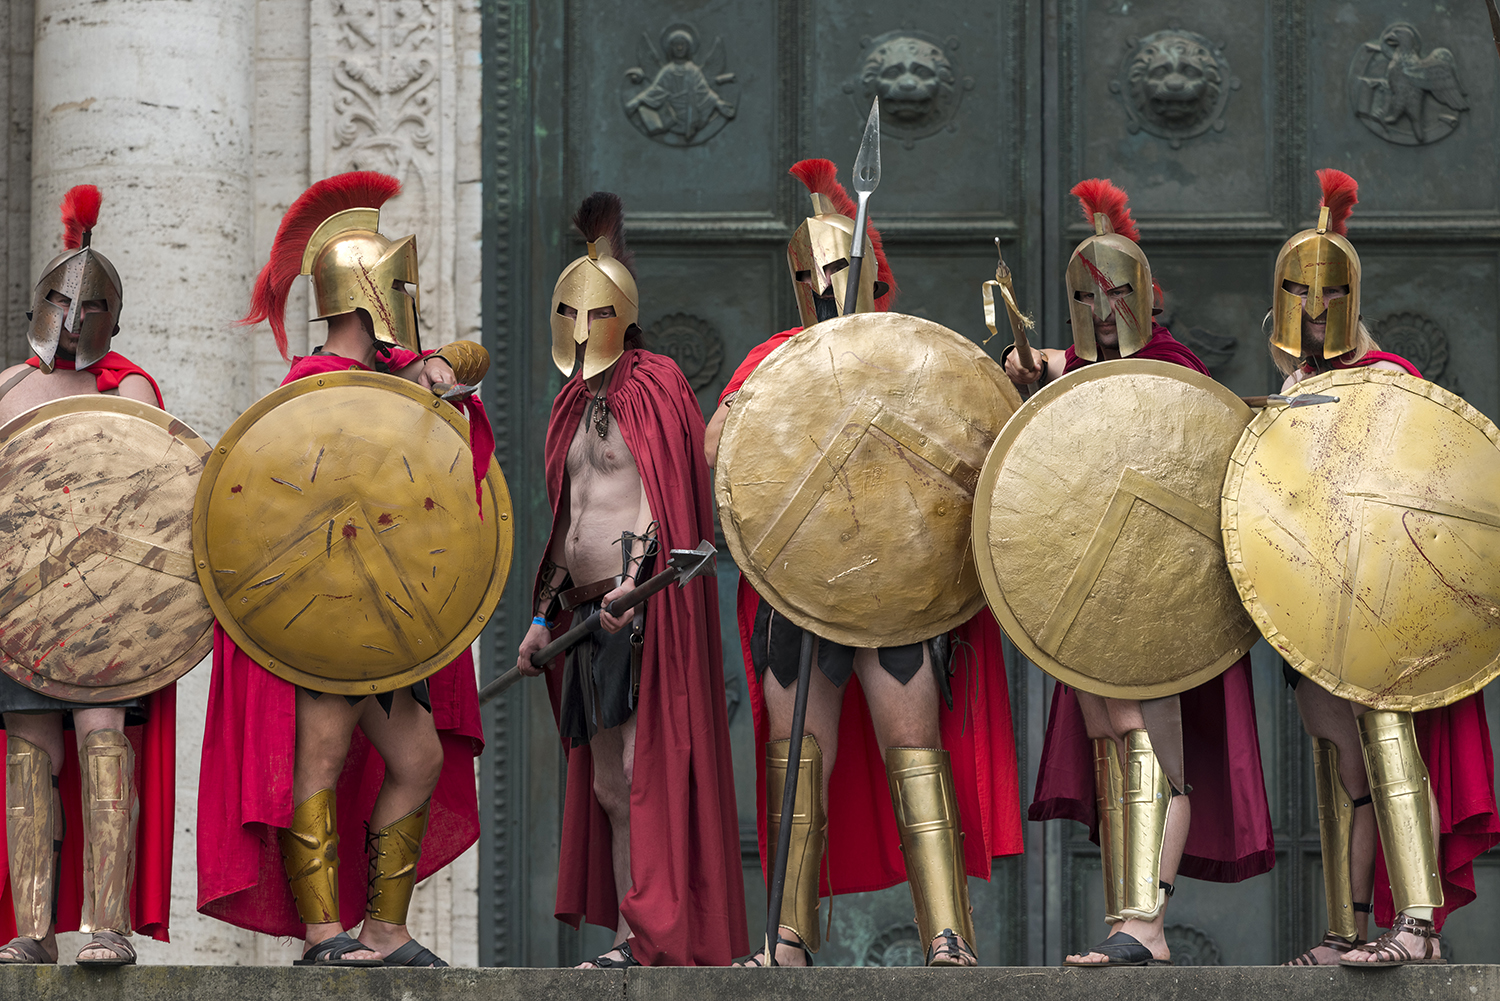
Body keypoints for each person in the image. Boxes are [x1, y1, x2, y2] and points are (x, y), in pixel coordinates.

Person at [704, 159, 1023, 969]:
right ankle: (788, 938)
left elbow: (982, 458)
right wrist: (741, 414)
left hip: (897, 591)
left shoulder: (915, 356)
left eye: (837, 267)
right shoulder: (771, 360)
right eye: (808, 272)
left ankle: (948, 937)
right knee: (795, 756)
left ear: (870, 271)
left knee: (913, 748)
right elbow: (718, 464)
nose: (822, 284)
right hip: (798, 592)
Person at [196, 171, 488, 968]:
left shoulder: (394, 385)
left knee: (418, 758)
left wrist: (431, 371)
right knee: (318, 762)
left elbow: (470, 361)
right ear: (375, 296)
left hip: (387, 617)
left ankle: (384, 930)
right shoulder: (303, 397)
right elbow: (256, 513)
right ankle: (326, 935)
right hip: (318, 617)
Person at [1011, 179, 1274, 967]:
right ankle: (1130, 924)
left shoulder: (1173, 366)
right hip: (1086, 587)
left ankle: (1145, 923)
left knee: (1152, 745)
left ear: (1146, 295)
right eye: (1086, 293)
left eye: (1116, 291)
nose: (1101, 307)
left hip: (1158, 593)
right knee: (1108, 738)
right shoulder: (1066, 376)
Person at [1266, 170, 1499, 967]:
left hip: (1383, 604)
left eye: (1328, 292)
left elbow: (1420, 492)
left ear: (1353, 298)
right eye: (1298, 289)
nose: (1314, 306)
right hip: (1312, 603)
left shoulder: (1392, 379)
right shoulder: (1293, 385)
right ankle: (1345, 927)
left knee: (1391, 738)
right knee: (1344, 761)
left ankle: (1419, 926)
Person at [514, 192, 746, 968]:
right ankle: (628, 933)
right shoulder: (571, 404)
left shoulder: (657, 383)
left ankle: (654, 933)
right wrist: (542, 617)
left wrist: (633, 580)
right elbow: (566, 518)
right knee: (611, 784)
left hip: (635, 609)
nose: (582, 330)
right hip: (582, 611)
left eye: (595, 313)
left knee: (645, 768)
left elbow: (658, 493)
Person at [0, 186, 174, 966]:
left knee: (104, 742)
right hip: (23, 603)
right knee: (30, 751)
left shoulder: (129, 391)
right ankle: (33, 929)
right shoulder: (8, 391)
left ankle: (109, 925)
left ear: (111, 317)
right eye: (63, 302)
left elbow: (160, 505)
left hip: (108, 605)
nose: (73, 320)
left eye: (87, 306)